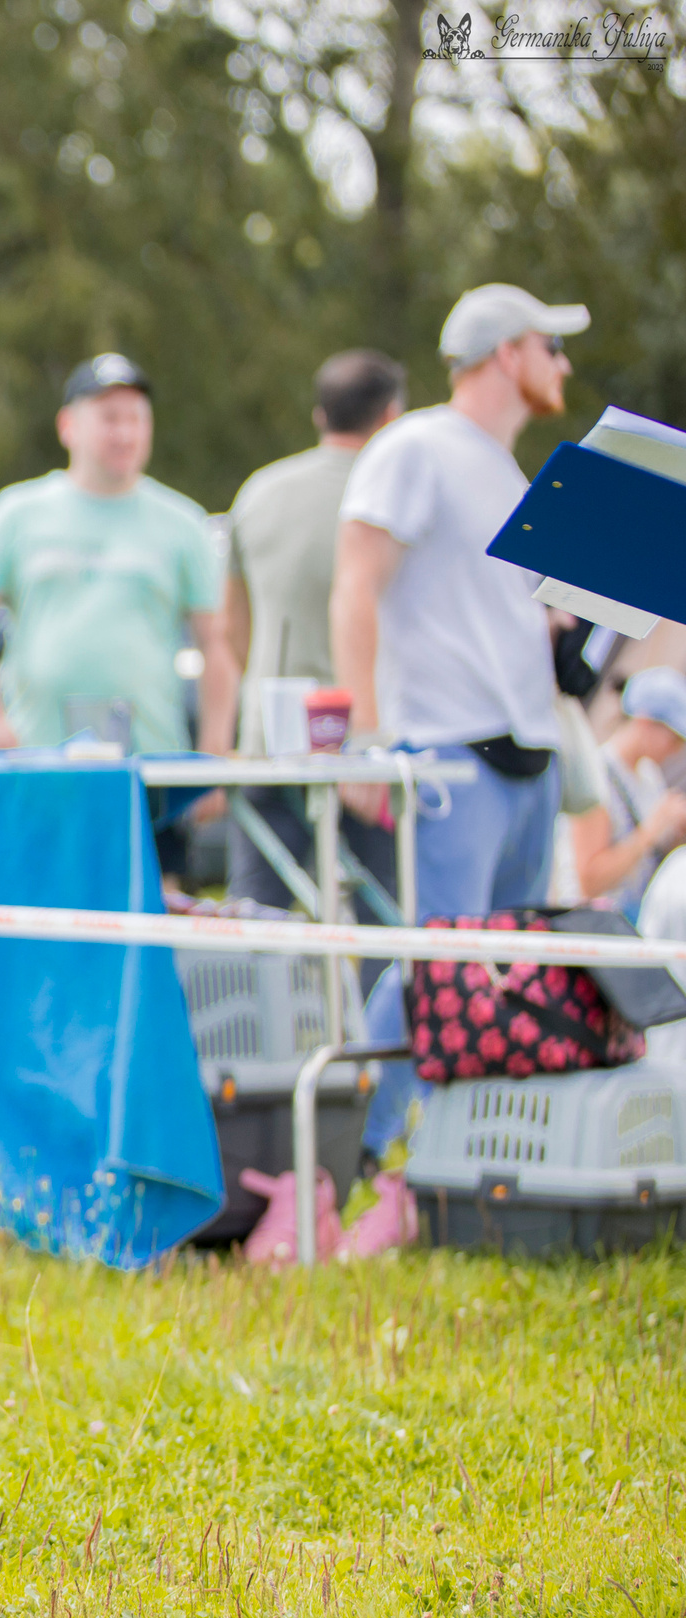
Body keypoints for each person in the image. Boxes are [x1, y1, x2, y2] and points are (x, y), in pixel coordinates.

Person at [332, 282, 587, 1256]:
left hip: (529, 751)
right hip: (447, 753)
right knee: (432, 965)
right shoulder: (417, 447)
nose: (563, 365)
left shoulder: (513, 472)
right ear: (507, 352)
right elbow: (356, 582)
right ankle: (346, 1159)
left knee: (504, 974)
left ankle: (455, 1167)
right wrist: (365, 733)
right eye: (551, 347)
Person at [0, 353, 233, 767]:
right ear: (67, 426)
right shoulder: (17, 512)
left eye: (136, 419)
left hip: (151, 764)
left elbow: (216, 643)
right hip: (36, 758)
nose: (124, 433)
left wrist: (213, 754)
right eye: (109, 419)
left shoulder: (183, 523)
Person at [221, 349, 407, 908]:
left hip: (271, 738)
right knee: (385, 918)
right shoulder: (393, 496)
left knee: (259, 915)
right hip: (369, 745)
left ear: (320, 415)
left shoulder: (259, 491)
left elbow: (232, 625)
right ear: (391, 415)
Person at [564, 668, 686, 917]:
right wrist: (651, 830)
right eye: (674, 738)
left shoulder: (649, 775)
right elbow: (589, 882)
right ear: (645, 722)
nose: (676, 750)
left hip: (634, 919)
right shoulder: (598, 774)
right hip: (593, 924)